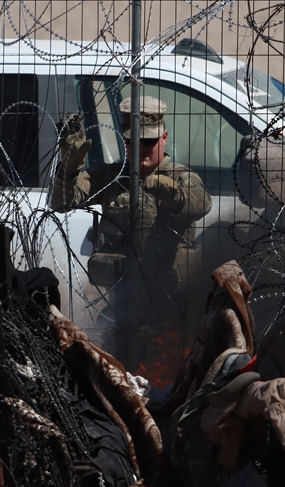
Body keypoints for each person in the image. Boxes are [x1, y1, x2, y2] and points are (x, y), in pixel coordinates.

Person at [51, 96, 212, 370]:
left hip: (169, 308)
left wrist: (168, 191)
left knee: (166, 378)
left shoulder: (180, 176)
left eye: (148, 142)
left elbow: (200, 202)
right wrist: (69, 166)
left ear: (164, 138)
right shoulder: (112, 177)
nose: (141, 149)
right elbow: (63, 203)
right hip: (121, 304)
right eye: (133, 142)